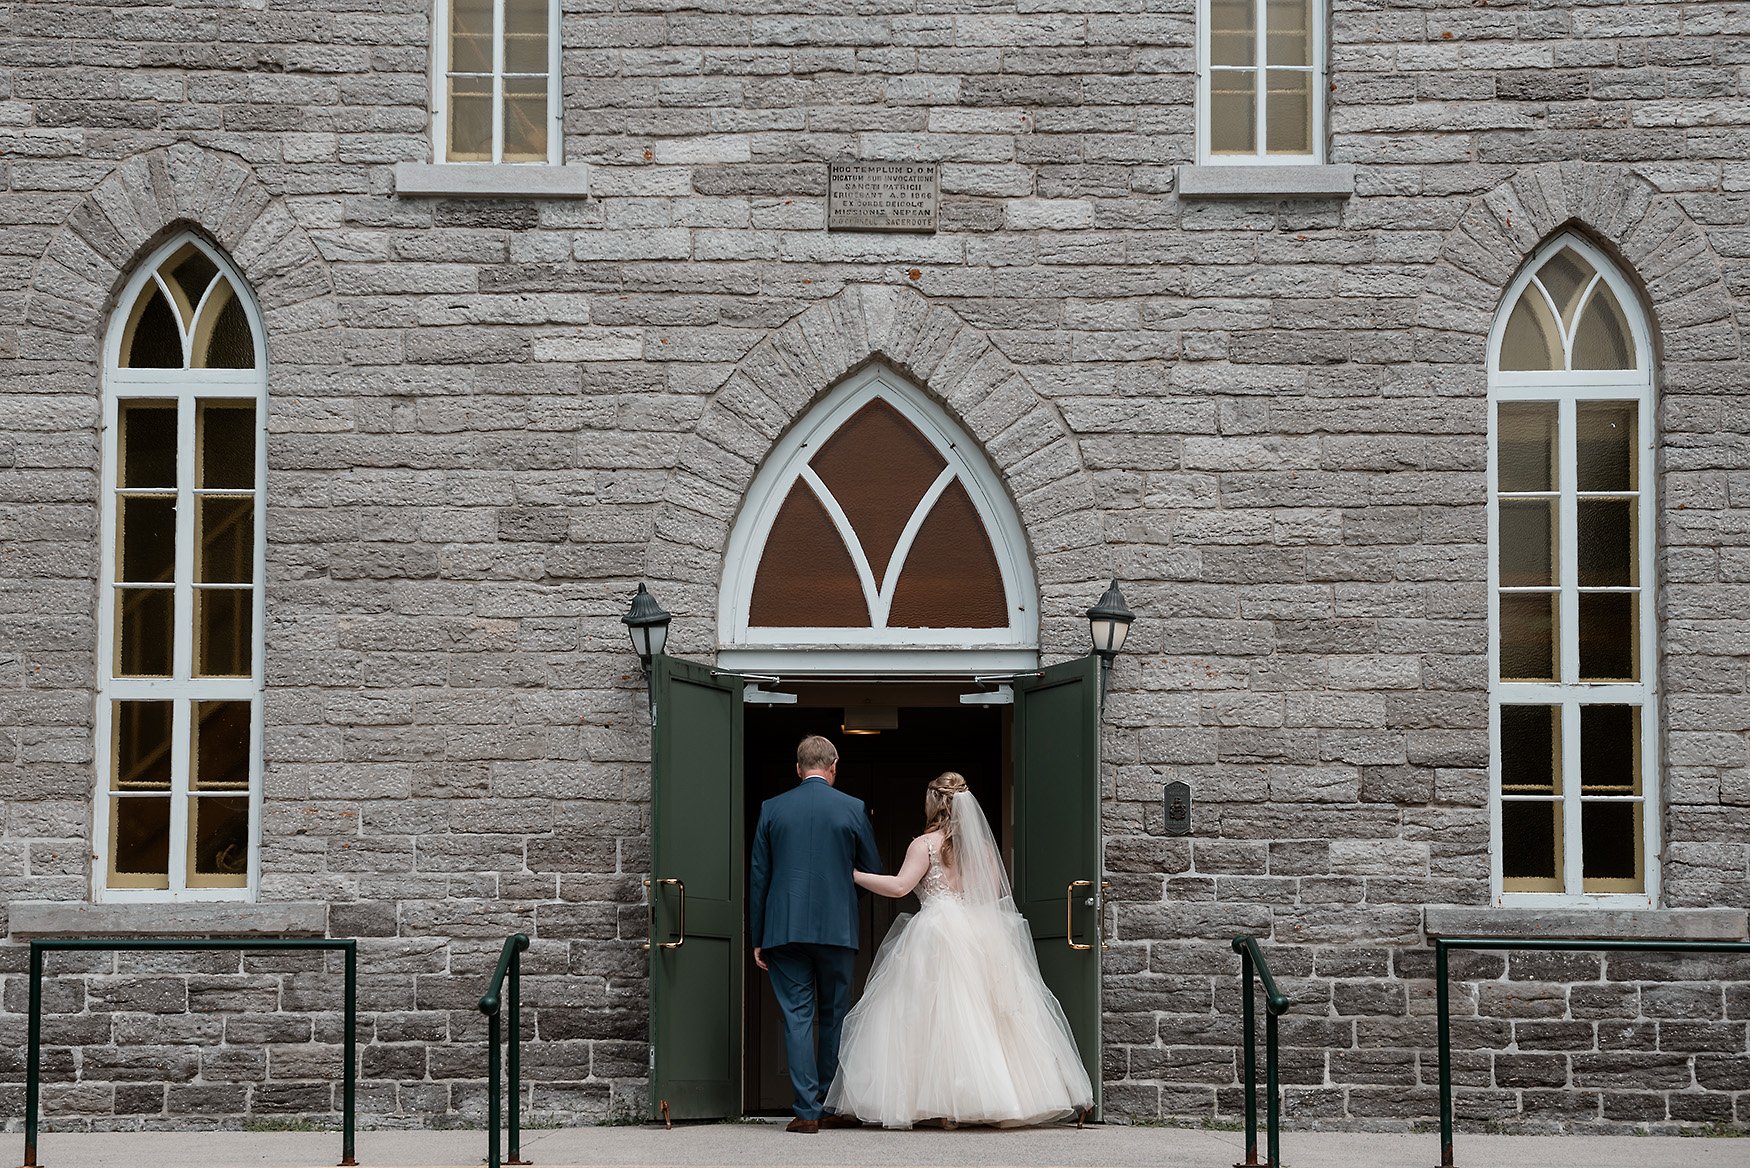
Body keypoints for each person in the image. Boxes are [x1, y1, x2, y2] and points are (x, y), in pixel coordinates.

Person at [825, 771, 1093, 1130]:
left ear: (933, 803)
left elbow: (900, 885)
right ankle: (994, 1100)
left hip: (935, 930)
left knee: (929, 1016)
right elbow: (990, 894)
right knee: (982, 1015)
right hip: (978, 930)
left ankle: (943, 1105)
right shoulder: (982, 849)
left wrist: (853, 874)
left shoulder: (924, 845)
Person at [748, 735, 884, 1133]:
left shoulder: (772, 809)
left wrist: (759, 935)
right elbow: (871, 871)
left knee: (797, 1017)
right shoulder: (853, 808)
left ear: (798, 768)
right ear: (833, 767)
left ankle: (806, 1113)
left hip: (784, 930)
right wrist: (843, 897)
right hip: (837, 929)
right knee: (834, 1016)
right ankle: (828, 1102)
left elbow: (760, 877)